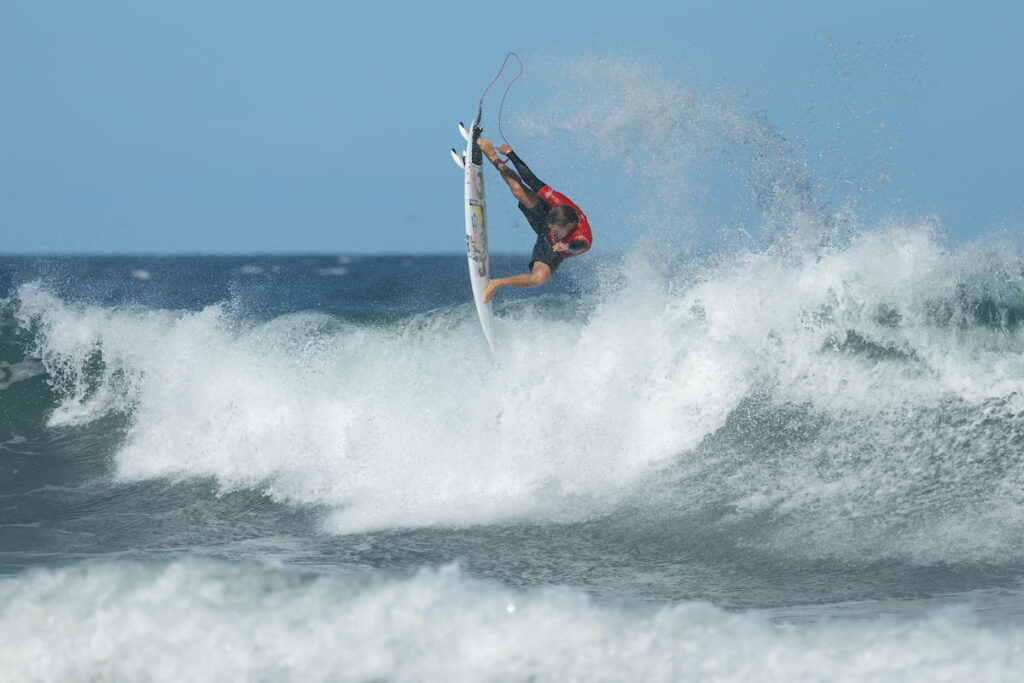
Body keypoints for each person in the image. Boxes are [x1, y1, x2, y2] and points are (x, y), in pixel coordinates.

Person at [476, 138, 592, 302]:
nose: (553, 232)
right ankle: (492, 156)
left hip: (554, 247)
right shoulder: (558, 201)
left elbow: (578, 246)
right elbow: (532, 180)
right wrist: (511, 154)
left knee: (538, 278)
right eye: (552, 229)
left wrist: (564, 245)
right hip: (546, 216)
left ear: (570, 225)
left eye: (556, 231)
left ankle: (497, 283)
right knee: (518, 189)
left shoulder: (582, 236)